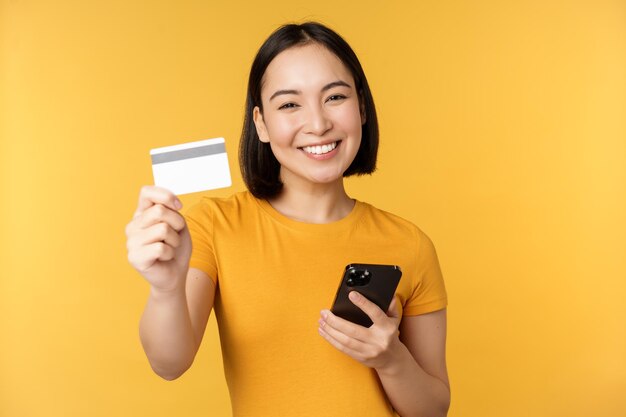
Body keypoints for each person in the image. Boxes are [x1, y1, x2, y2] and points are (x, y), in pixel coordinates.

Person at [125, 22, 450, 417]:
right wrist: (164, 288)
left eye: (334, 97)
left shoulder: (410, 243)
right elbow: (169, 364)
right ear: (261, 123)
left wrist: (391, 359)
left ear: (361, 108)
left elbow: (433, 409)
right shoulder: (213, 225)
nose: (317, 124)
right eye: (289, 104)